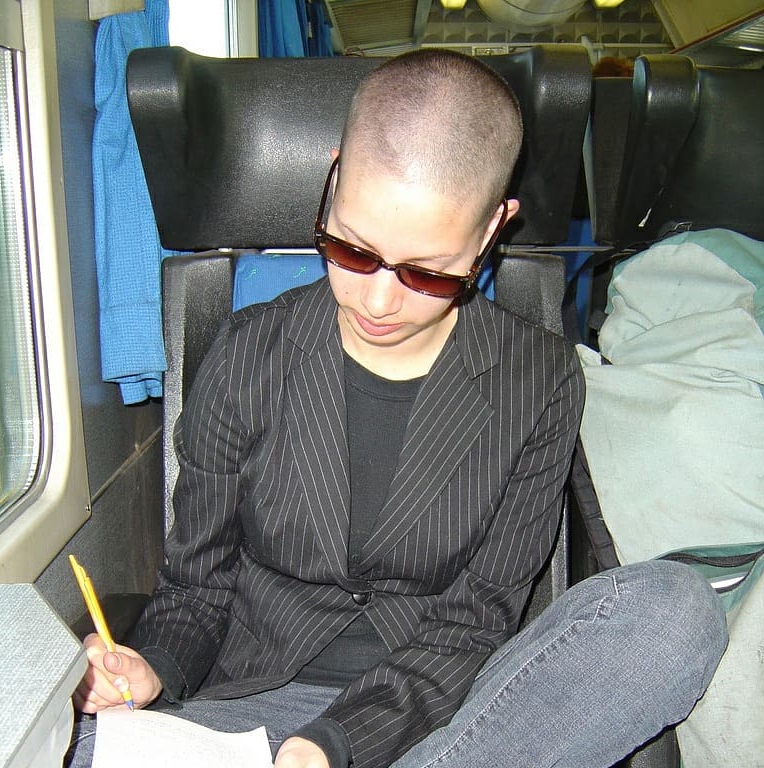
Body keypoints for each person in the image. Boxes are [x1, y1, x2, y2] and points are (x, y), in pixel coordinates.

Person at [67, 49, 726, 768]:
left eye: (426, 273)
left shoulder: (538, 381)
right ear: (335, 174)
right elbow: (196, 591)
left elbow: (476, 625)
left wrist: (330, 748)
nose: (377, 303)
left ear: (490, 231)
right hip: (252, 706)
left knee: (674, 614)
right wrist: (152, 666)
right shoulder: (249, 353)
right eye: (351, 249)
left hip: (452, 714)